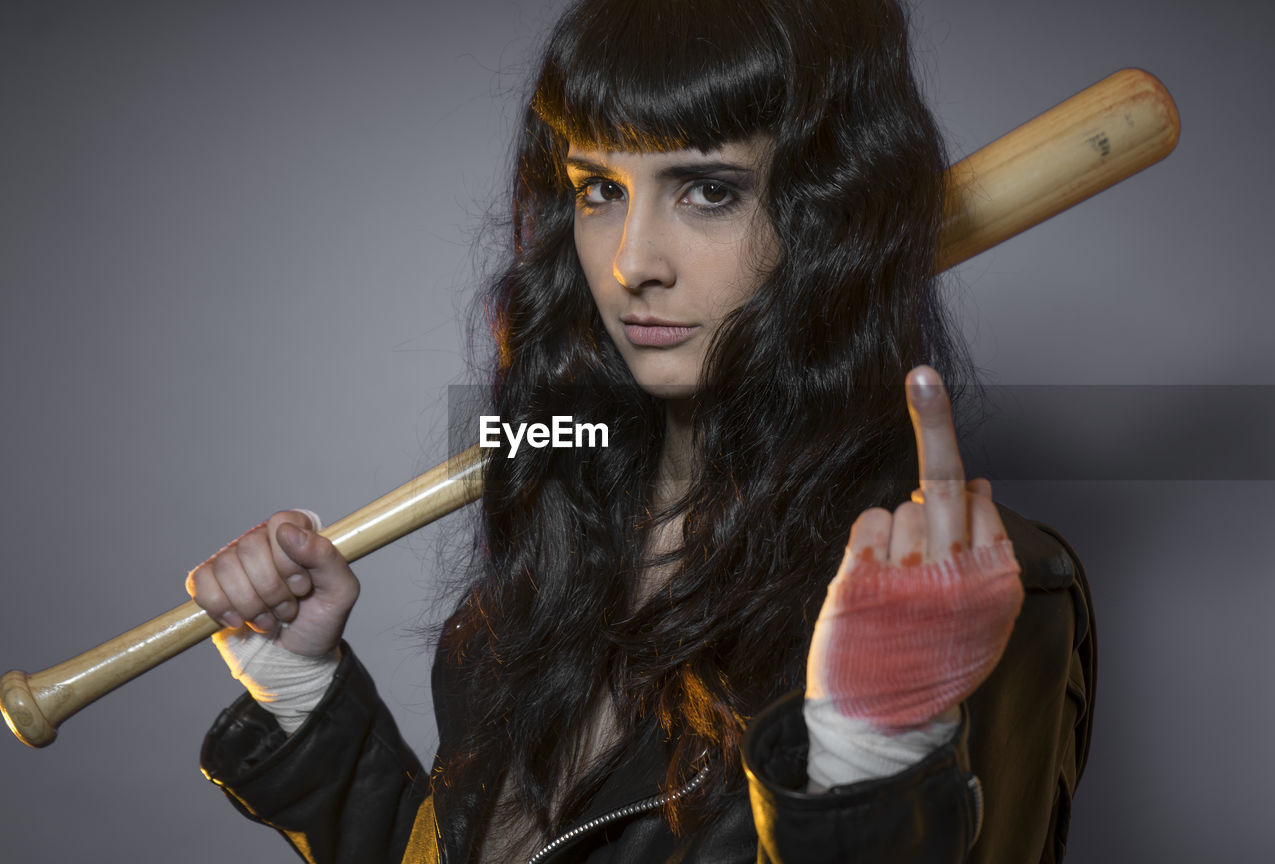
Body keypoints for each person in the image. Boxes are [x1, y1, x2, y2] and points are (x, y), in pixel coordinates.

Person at [187, 0, 1095, 861]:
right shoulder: (552, 545)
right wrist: (306, 698)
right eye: (599, 189)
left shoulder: (959, 592)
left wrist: (868, 764)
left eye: (707, 190)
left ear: (829, 209)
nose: (631, 264)